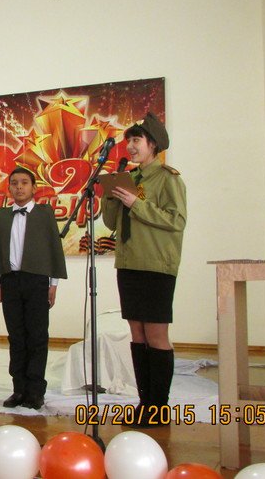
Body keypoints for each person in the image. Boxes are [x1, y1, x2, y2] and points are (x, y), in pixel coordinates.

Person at [100, 112, 187, 427]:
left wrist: (136, 203)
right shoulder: (130, 177)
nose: (130, 147)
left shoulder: (168, 178)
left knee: (156, 334)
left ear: (153, 144)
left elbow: (177, 220)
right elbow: (111, 222)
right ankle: (144, 402)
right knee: (137, 334)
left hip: (156, 265)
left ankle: (159, 408)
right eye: (129, 142)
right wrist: (110, 196)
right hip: (128, 263)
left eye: (136, 141)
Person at [0, 166, 67, 410]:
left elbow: (54, 248)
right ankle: (18, 388)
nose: (19, 187)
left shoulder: (44, 213)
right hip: (10, 281)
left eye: (24, 182)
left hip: (37, 280)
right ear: (9, 187)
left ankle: (35, 390)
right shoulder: (3, 215)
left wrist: (53, 284)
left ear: (34, 187)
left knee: (37, 336)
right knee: (16, 336)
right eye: (14, 183)